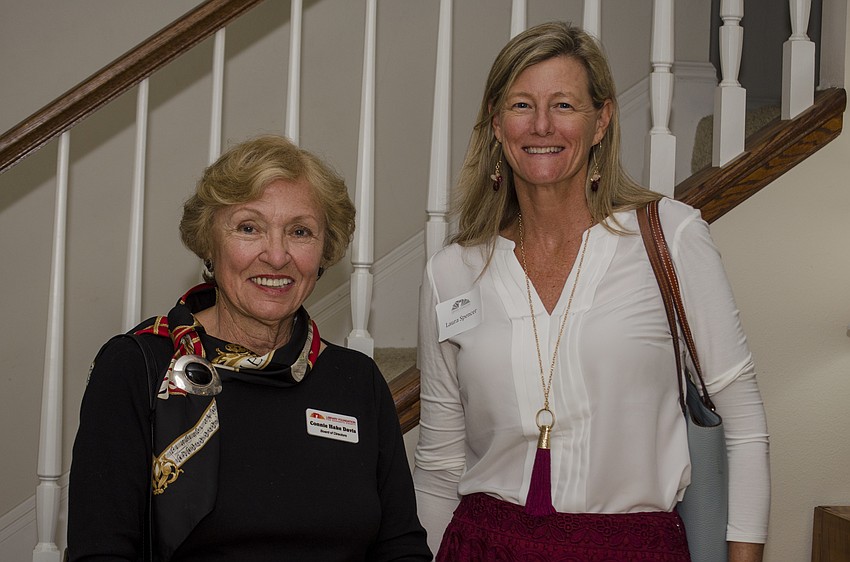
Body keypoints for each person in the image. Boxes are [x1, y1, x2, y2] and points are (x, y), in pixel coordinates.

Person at [413, 21, 769, 561]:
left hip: (633, 549)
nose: (540, 125)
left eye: (563, 105)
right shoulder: (452, 272)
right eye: (520, 105)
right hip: (483, 546)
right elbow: (439, 464)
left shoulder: (670, 237)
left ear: (601, 120)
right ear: (495, 124)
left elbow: (743, 423)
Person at [68, 135, 432, 561]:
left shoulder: (356, 379)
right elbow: (101, 552)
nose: (276, 256)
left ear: (323, 251)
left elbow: (400, 547)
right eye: (249, 228)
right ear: (209, 243)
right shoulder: (139, 367)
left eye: (299, 231)